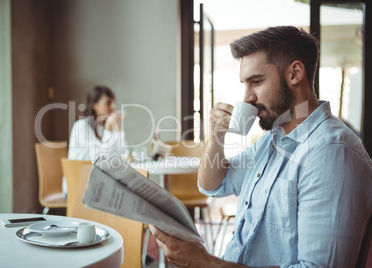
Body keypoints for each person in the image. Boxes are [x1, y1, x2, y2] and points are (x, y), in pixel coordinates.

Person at [149, 26, 372, 267]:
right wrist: (216, 137)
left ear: (295, 73)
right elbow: (212, 184)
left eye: (256, 82)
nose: (247, 98)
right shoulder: (272, 140)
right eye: (245, 84)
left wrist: (204, 262)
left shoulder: (332, 153)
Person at [68, 85, 129, 161]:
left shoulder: (105, 126)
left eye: (113, 103)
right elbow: (102, 158)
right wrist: (108, 127)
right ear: (94, 105)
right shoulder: (81, 126)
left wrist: (118, 128)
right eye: (108, 103)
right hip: (81, 171)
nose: (113, 107)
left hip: (99, 172)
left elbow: (122, 153)